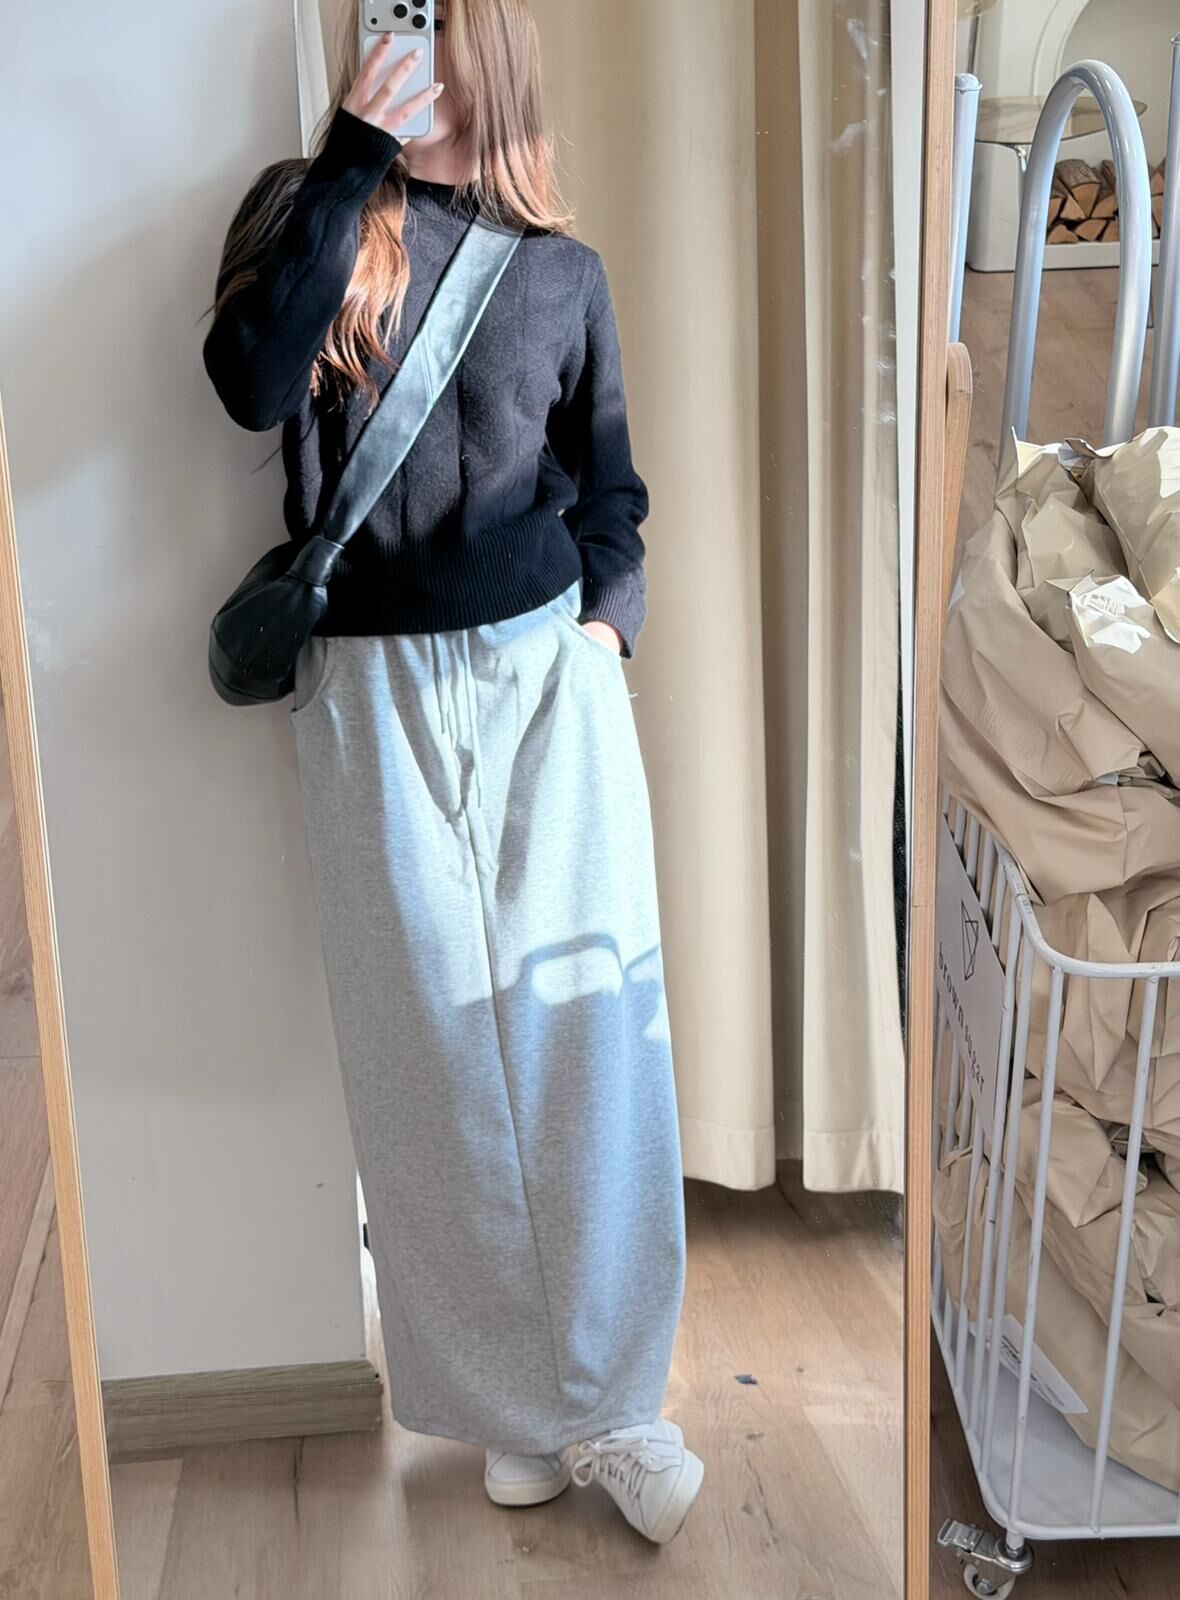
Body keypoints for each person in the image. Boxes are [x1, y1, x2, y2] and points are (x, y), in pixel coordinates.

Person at [202, 0, 701, 1545]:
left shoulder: (562, 270)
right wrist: (355, 149)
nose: (409, 43)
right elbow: (247, 381)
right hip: (371, 692)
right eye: (389, 22)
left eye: (433, 25)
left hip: (551, 682)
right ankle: (511, 1406)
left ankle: (614, 1404)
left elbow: (612, 491)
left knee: (584, 1041)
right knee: (428, 1052)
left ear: (493, 53)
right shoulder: (313, 217)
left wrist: (604, 638)